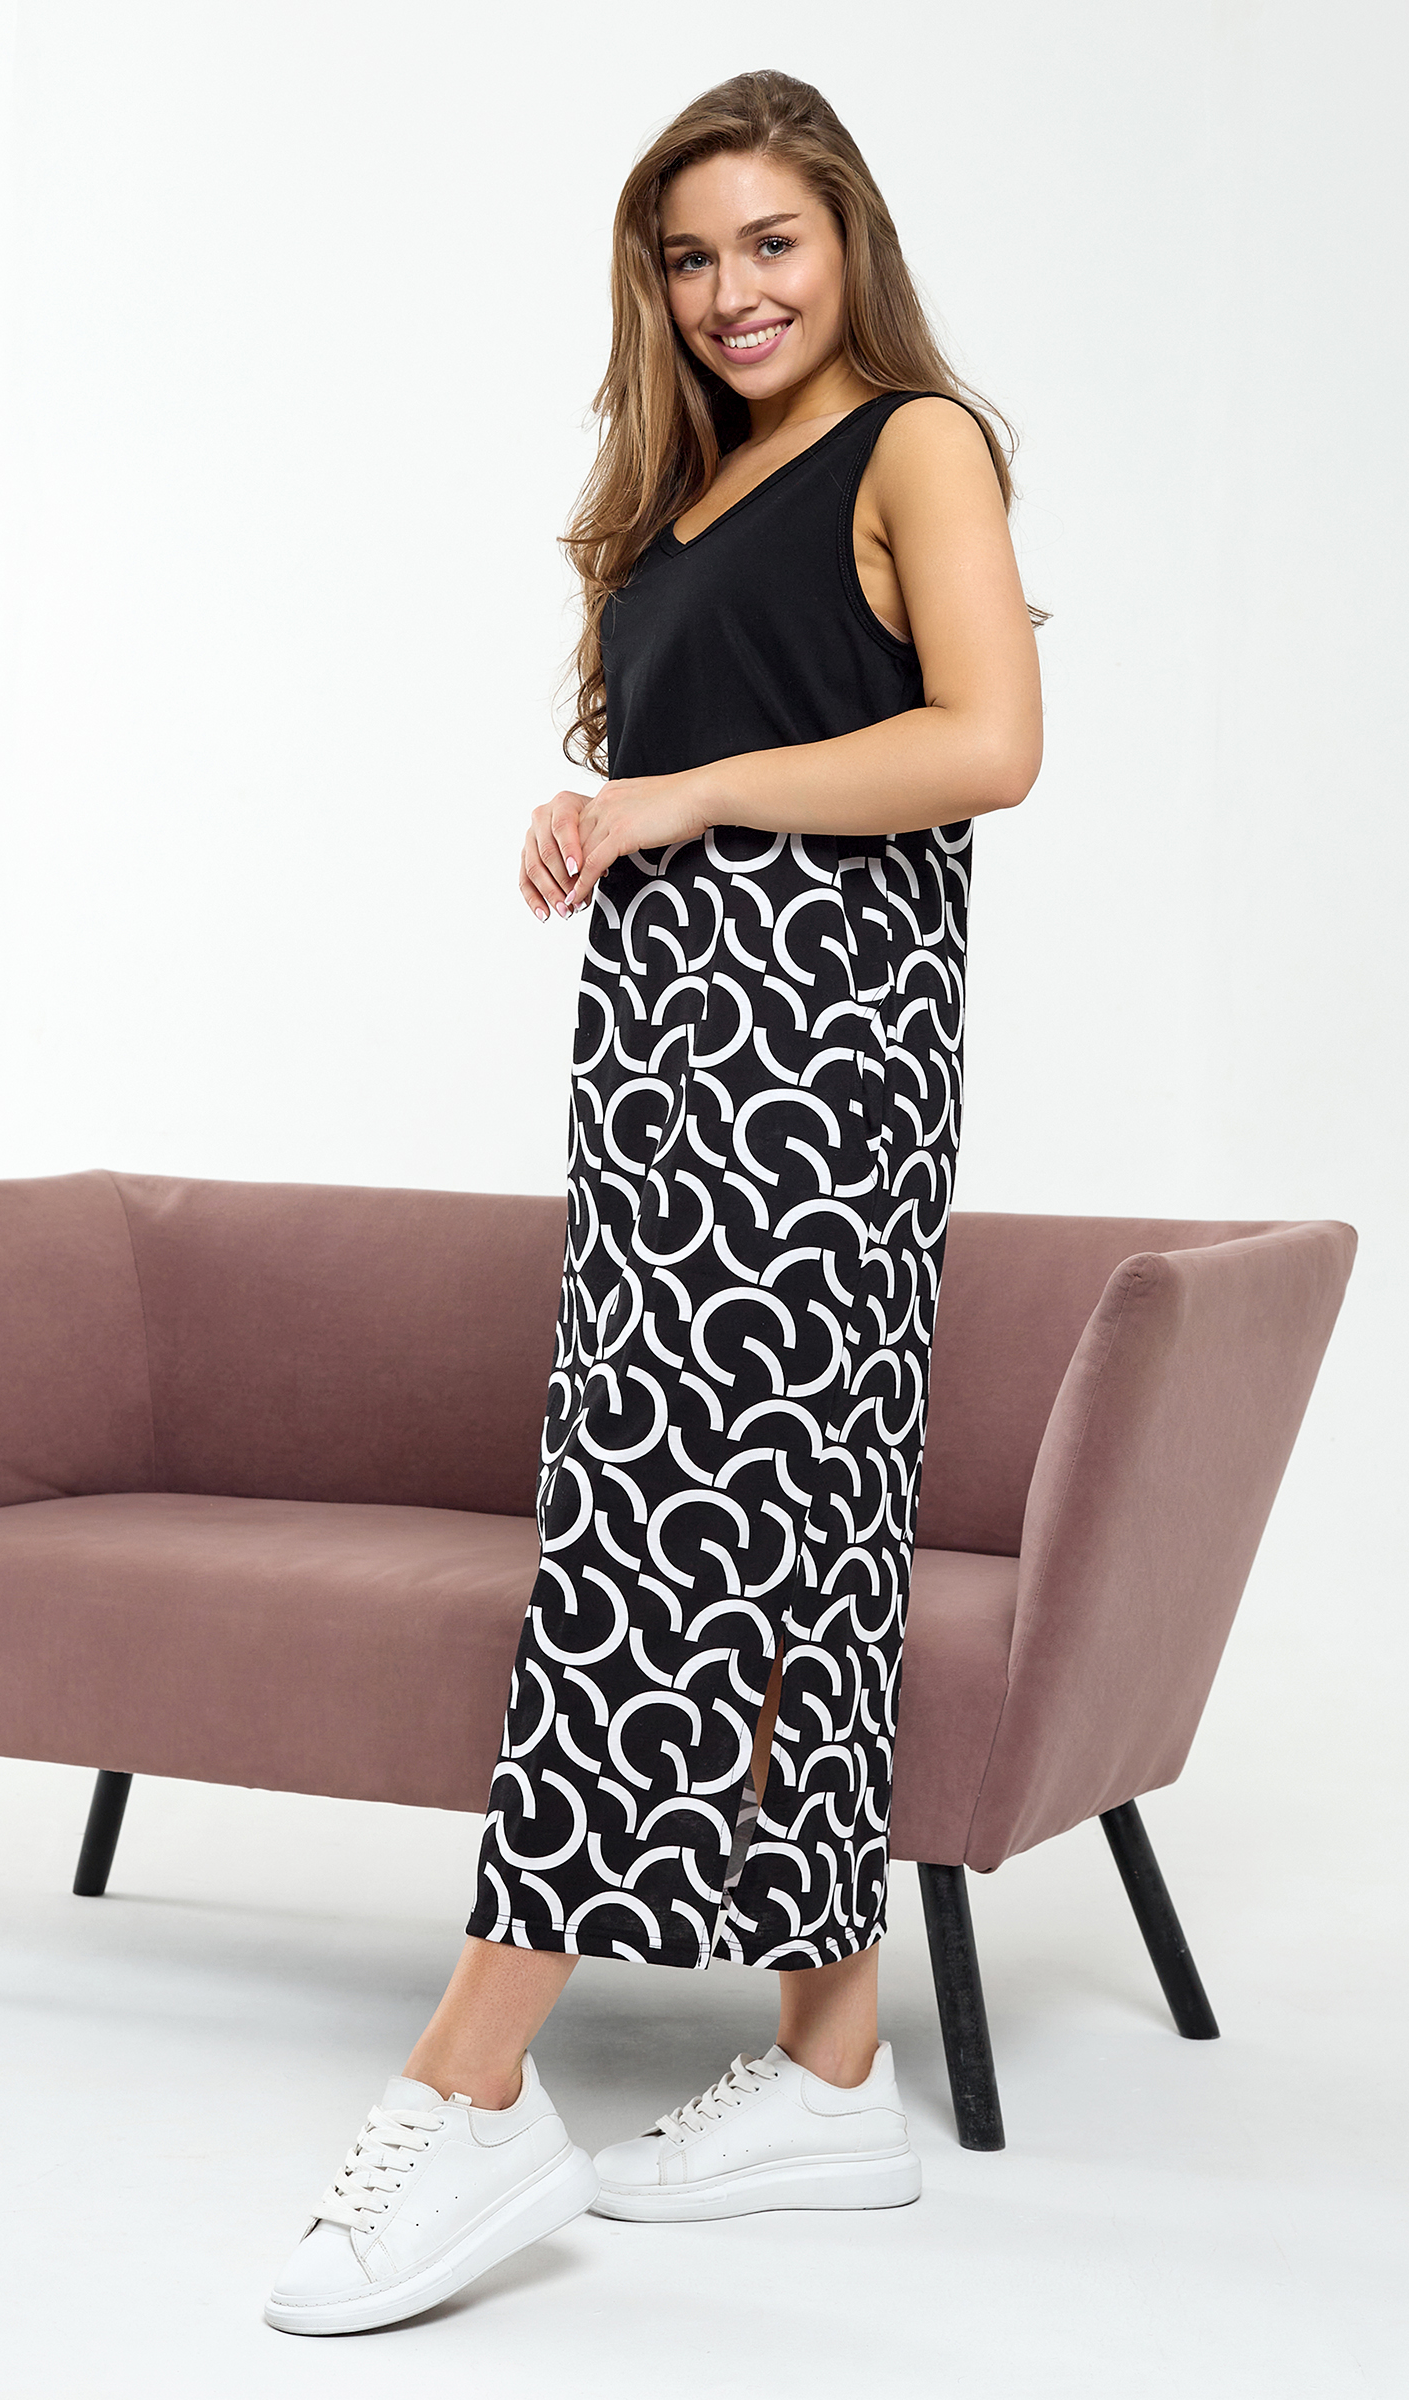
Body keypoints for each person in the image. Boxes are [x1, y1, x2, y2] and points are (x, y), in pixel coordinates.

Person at [264, 65, 1042, 2337]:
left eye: (769, 243)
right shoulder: (684, 492)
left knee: (654, 1533)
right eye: (690, 258)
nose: (731, 292)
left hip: (818, 1073)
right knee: (793, 1540)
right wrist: (601, 810)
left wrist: (683, 801)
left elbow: (988, 741)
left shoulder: (917, 440)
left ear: (849, 238)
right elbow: (709, 761)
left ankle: (473, 2083)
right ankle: (832, 2068)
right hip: (669, 1064)